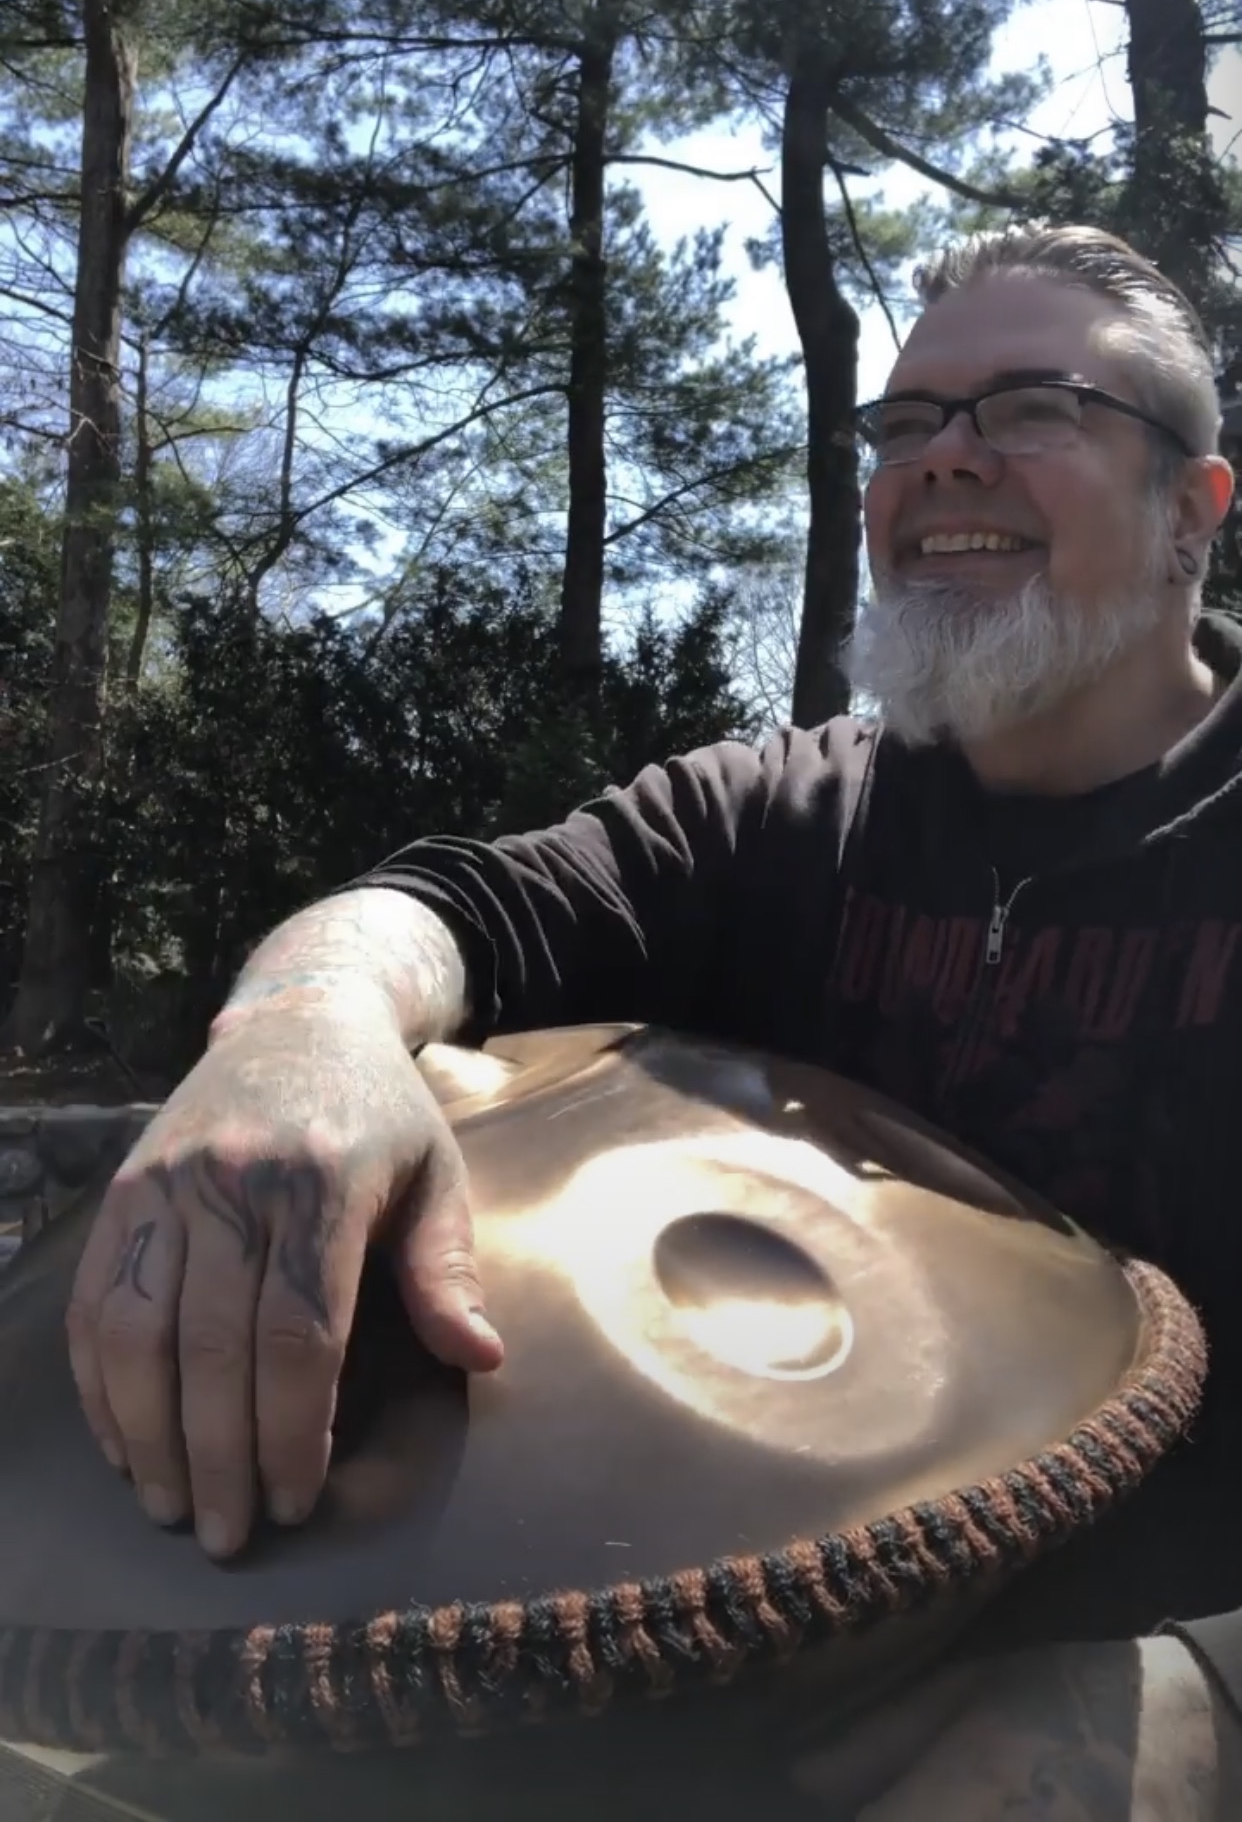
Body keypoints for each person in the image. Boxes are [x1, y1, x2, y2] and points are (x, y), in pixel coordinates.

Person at [64, 225, 1242, 1815]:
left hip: (1120, 1687)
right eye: (903, 428)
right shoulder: (775, 812)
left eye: (1031, 411)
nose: (941, 466)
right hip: (687, 1657)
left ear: (1193, 510)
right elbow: (457, 909)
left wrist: (1201, 1700)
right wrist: (303, 1024)